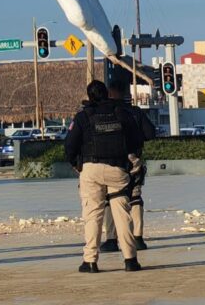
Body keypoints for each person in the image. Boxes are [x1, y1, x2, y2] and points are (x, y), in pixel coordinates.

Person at [65, 80, 144, 273]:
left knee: (93, 214)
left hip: (90, 169)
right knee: (122, 214)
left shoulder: (83, 117)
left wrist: (76, 165)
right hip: (118, 169)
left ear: (89, 96)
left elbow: (69, 146)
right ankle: (130, 260)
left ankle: (90, 261)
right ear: (107, 94)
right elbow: (137, 140)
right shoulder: (121, 113)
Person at [100, 78, 157, 252]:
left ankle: (111, 239)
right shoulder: (135, 112)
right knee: (135, 196)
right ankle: (137, 237)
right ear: (126, 92)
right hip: (133, 159)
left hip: (110, 159)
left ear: (110, 93)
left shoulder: (104, 112)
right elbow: (150, 133)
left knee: (111, 198)